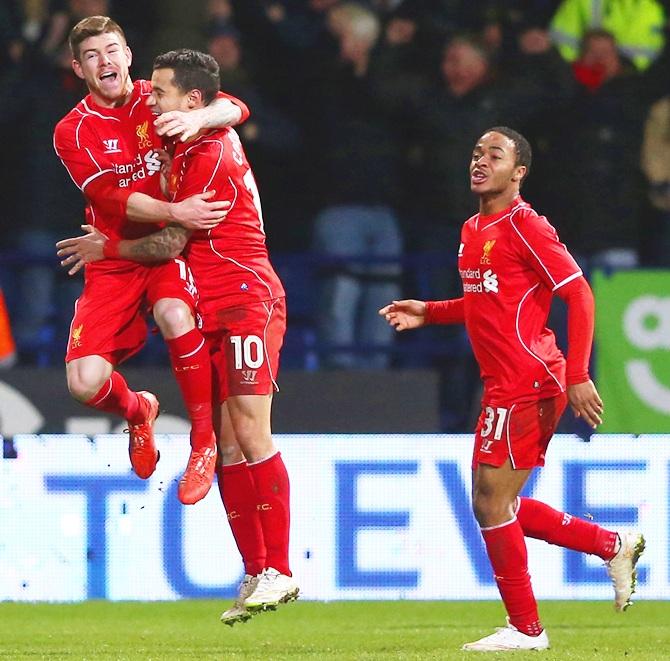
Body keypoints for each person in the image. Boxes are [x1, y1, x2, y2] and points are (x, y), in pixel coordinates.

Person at [380, 127, 645, 652]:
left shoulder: (526, 226)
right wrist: (429, 312)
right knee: (492, 502)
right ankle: (610, 544)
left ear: (518, 171)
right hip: (504, 381)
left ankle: (528, 629)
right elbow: (484, 303)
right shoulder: (473, 226)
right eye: (476, 152)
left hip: (529, 378)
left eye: (494, 155)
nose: (479, 161)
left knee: (491, 503)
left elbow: (581, 296)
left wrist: (577, 374)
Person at [56, 48, 297, 624]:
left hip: (246, 300)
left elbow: (168, 242)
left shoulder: (207, 154)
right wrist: (206, 115)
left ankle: (282, 570)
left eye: (160, 93)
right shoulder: (175, 135)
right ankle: (257, 570)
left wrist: (107, 246)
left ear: (191, 102)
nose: (150, 99)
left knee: (249, 428)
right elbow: (229, 106)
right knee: (234, 439)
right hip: (215, 304)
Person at [53, 16, 249, 505]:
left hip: (167, 249)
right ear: (79, 68)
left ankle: (202, 441)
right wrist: (175, 209)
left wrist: (197, 118)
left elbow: (236, 107)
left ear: (128, 54)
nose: (107, 62)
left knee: (175, 313)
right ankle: (139, 410)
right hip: (113, 257)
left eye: (113, 50)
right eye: (93, 56)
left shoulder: (157, 94)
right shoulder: (72, 131)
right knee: (84, 383)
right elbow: (114, 198)